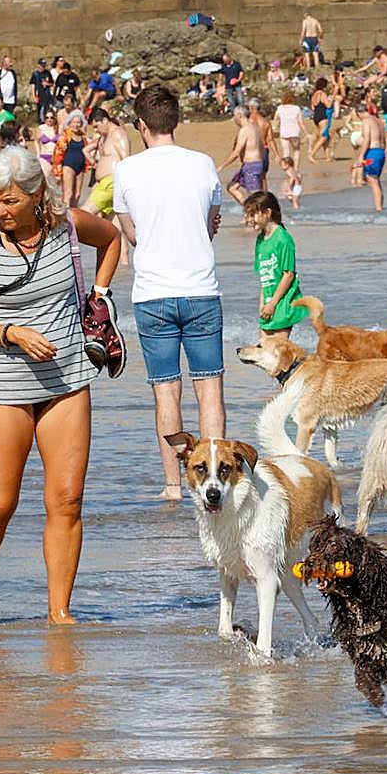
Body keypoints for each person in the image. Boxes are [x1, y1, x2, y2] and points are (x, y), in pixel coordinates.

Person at [0, 146, 120, 626]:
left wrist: (100, 296)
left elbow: (111, 241)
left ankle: (60, 611)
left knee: (66, 500)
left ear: (36, 195)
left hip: (67, 378)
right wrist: (12, 333)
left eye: (9, 201)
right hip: (4, 383)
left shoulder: (68, 229)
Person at [113, 84, 225, 501]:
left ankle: (175, 485)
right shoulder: (203, 164)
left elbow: (132, 235)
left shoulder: (127, 170)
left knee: (166, 390)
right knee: (209, 390)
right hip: (200, 289)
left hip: (153, 294)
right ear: (175, 121)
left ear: (141, 125)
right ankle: (216, 481)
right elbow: (212, 222)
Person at [242, 190, 307, 340]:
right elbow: (264, 280)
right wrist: (262, 306)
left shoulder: (283, 239)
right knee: (263, 351)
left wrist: (273, 304)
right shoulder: (261, 240)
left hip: (283, 302)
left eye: (252, 215)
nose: (248, 220)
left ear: (267, 213)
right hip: (267, 302)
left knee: (277, 355)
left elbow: (288, 275)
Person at [81, 108, 130, 219]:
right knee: (110, 224)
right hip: (105, 183)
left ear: (104, 120)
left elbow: (126, 160)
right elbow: (85, 150)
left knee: (83, 213)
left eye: (96, 126)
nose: (95, 130)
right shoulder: (104, 137)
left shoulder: (118, 134)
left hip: (112, 182)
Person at [219, 105, 264, 205]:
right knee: (232, 187)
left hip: (250, 166)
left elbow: (236, 153)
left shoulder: (244, 130)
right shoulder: (255, 128)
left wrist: (222, 166)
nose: (234, 119)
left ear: (240, 116)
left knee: (255, 196)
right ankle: (248, 209)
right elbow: (262, 148)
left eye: (234, 116)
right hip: (254, 164)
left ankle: (259, 215)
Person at [353, 99, 386, 212]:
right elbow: (384, 140)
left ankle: (378, 209)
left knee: (373, 180)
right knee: (376, 180)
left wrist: (360, 157)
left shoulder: (366, 121)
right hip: (381, 152)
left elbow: (367, 139)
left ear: (358, 113)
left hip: (373, 152)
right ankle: (380, 206)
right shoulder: (378, 120)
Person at [57, 111, 88, 207]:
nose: (76, 125)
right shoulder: (65, 136)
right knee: (68, 193)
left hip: (80, 166)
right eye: (74, 122)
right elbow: (58, 153)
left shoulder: (83, 136)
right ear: (69, 123)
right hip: (68, 165)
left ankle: (74, 217)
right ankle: (64, 217)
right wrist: (57, 171)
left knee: (77, 194)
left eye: (78, 122)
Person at [274, 91, 304, 170]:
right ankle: (296, 168)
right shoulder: (296, 108)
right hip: (294, 132)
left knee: (286, 151)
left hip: (284, 132)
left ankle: (287, 168)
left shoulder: (280, 108)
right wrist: (306, 132)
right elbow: (300, 122)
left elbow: (276, 119)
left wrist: (274, 128)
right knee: (296, 150)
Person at [308, 78, 334, 162]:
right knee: (324, 137)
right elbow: (328, 105)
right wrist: (332, 98)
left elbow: (312, 107)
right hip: (322, 116)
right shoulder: (322, 94)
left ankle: (328, 157)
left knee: (326, 137)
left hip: (316, 116)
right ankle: (312, 155)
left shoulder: (314, 95)